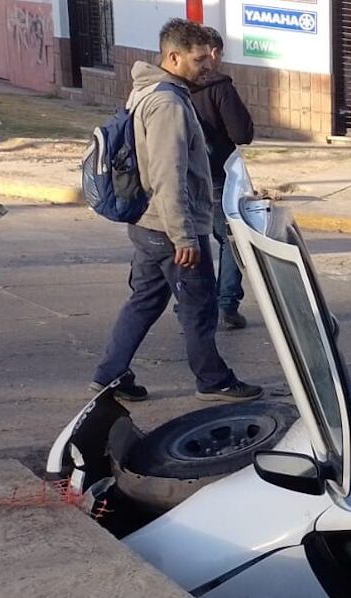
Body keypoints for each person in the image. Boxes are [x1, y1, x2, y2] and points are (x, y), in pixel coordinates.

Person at [89, 19, 261, 403]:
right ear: (173, 56)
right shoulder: (167, 103)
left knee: (144, 301)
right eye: (199, 59)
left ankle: (109, 374)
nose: (207, 66)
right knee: (199, 307)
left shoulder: (149, 90)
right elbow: (169, 175)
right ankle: (213, 380)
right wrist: (184, 236)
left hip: (149, 223)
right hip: (169, 228)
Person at [190, 26, 254, 331]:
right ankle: (226, 302)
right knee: (232, 238)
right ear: (213, 53)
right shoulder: (219, 87)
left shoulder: (169, 87)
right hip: (216, 173)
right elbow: (242, 133)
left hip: (181, 175)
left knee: (193, 239)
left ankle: (192, 303)